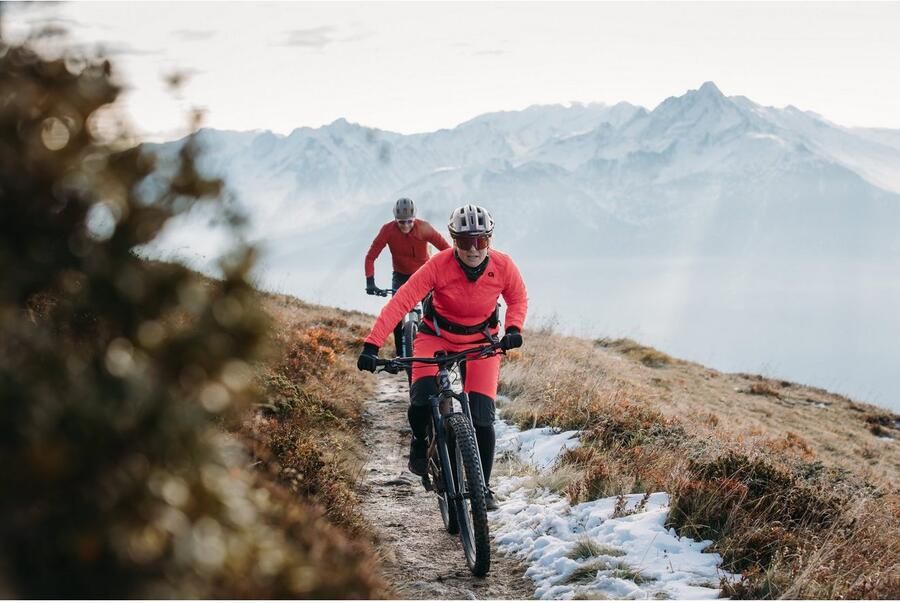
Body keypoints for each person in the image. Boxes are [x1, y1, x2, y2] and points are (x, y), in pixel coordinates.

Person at [357, 204, 527, 511]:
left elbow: (517, 298)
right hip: (436, 337)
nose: (473, 249)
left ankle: (482, 488)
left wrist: (513, 328)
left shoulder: (503, 265)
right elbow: (401, 302)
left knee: (482, 416)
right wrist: (372, 345)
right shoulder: (438, 266)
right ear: (454, 240)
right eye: (464, 242)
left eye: (481, 241)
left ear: (489, 239)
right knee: (422, 397)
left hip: (482, 342)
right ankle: (420, 442)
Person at [365, 197, 450, 355]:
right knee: (395, 314)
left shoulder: (424, 228)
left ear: (414, 218)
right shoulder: (387, 230)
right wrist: (370, 282)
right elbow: (370, 257)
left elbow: (447, 251)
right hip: (400, 276)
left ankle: (439, 349)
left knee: (434, 311)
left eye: (409, 221)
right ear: (395, 219)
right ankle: (400, 354)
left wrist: (447, 274)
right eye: (401, 222)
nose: (405, 225)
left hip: (424, 275)